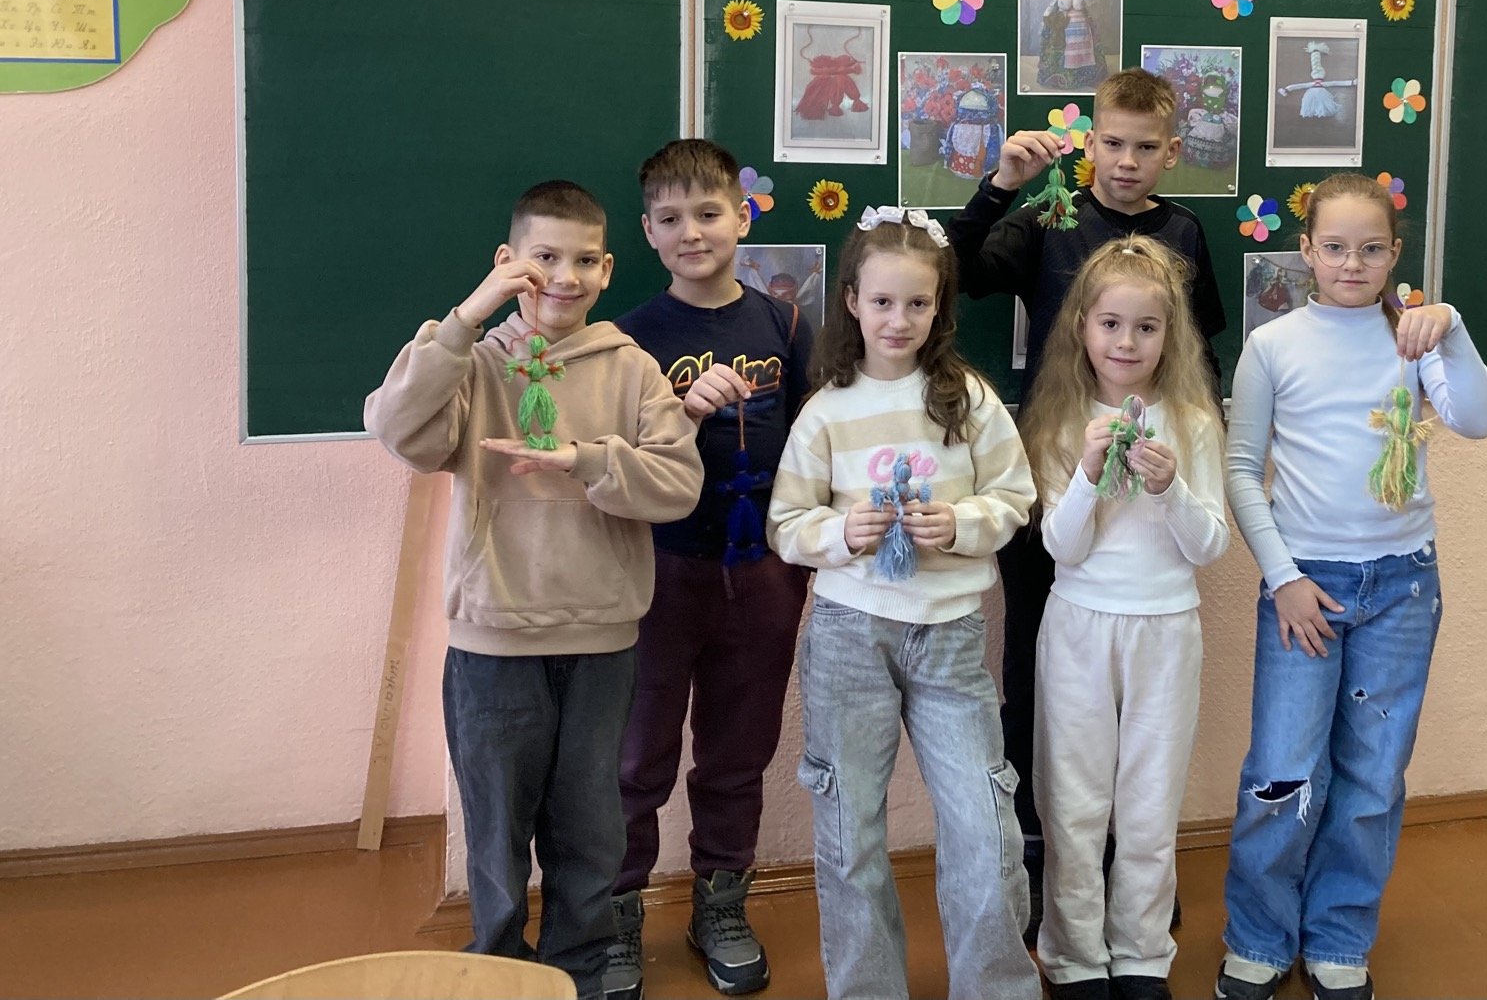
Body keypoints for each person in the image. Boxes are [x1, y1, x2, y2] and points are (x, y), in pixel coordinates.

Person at [364, 180, 703, 1000]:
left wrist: (588, 461)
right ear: (507, 262)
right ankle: (499, 975)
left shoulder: (632, 368)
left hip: (600, 642)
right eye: (545, 257)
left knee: (591, 831)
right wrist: (464, 319)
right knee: (496, 837)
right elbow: (398, 429)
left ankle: (581, 972)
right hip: (495, 642)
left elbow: (678, 483)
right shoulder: (474, 363)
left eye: (585, 259)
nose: (565, 276)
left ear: (608, 268)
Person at [948, 65, 1226, 936]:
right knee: (1038, 677)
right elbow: (958, 272)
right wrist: (1001, 185)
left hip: (1153, 492)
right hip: (1057, 460)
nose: (1127, 161)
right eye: (1112, 143)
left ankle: (1132, 875)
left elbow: (1201, 353)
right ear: (1090, 143)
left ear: (1171, 151)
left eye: (1145, 147)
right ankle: (1045, 860)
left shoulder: (1185, 231)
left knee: (1142, 705)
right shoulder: (1053, 216)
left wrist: (1199, 461)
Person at [1216, 173, 1487, 1000]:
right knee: (1282, 770)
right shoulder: (1275, 344)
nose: (1352, 263)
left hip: (1403, 585)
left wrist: (1453, 328)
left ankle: (1340, 935)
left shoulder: (1412, 340)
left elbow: (1477, 419)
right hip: (1305, 587)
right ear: (1305, 251)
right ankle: (1259, 936)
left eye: (1371, 248)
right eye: (1335, 247)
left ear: (1394, 254)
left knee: (1374, 775)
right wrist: (1283, 579)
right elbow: (1242, 469)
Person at [767, 207, 1041, 1000]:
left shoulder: (969, 399)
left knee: (985, 826)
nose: (899, 319)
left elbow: (1015, 497)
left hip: (949, 635)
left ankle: (997, 988)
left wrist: (958, 523)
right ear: (852, 300)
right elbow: (786, 523)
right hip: (849, 635)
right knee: (850, 830)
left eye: (917, 303)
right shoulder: (826, 410)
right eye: (883, 301)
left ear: (939, 306)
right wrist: (839, 532)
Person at [607, 141, 814, 998]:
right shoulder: (627, 339)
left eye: (708, 213)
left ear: (743, 217)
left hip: (761, 571)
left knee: (738, 749)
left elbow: (813, 438)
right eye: (671, 218)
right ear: (647, 232)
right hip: (659, 571)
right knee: (636, 754)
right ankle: (615, 912)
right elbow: (616, 463)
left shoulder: (785, 324)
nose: (691, 231)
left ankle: (720, 905)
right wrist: (680, 416)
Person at [1021, 237, 1230, 1000]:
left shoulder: (1193, 423)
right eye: (1111, 323)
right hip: (1080, 625)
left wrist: (1172, 489)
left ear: (1170, 334)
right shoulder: (1060, 420)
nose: (1127, 342)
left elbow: (1210, 546)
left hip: (1165, 628)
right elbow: (1061, 546)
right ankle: (1075, 955)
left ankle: (1141, 951)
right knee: (1074, 803)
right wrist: (1085, 475)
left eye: (1146, 327)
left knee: (1148, 802)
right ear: (1082, 325)